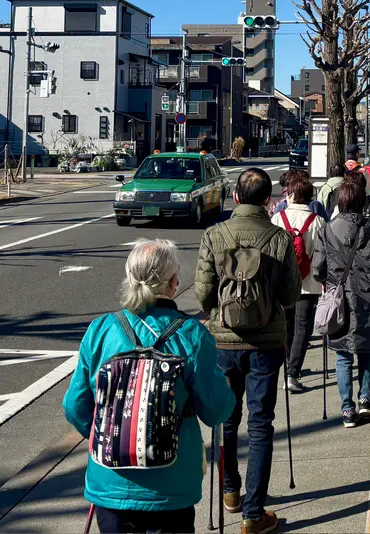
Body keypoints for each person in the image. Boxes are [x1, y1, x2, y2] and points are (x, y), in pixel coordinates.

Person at [64, 239, 235, 534]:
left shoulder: (102, 330)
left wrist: (110, 435)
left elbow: (75, 406)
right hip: (173, 483)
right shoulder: (191, 334)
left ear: (130, 278)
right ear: (173, 282)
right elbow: (217, 410)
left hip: (111, 481)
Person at [195, 168, 302, 534]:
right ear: (268, 201)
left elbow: (203, 294)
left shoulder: (214, 235)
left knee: (226, 418)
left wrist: (219, 316)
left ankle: (229, 491)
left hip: (223, 341)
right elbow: (290, 296)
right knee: (260, 424)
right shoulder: (280, 238)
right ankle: (254, 514)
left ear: (236, 198)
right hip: (267, 343)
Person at [312, 181, 370, 428]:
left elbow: (318, 269)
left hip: (339, 301)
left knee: (343, 355)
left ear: (340, 201)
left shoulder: (326, 230)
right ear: (361, 201)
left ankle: (347, 409)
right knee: (366, 351)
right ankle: (366, 400)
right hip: (367, 296)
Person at [271, 176, 326, 393]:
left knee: (286, 325)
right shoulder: (318, 221)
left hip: (283, 284)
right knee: (304, 327)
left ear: (292, 195)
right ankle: (293, 373)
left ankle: (285, 364)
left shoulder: (278, 219)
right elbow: (322, 256)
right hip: (308, 283)